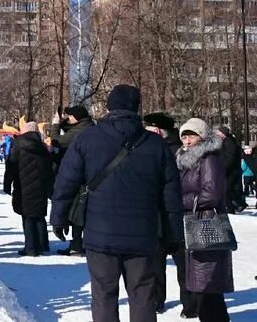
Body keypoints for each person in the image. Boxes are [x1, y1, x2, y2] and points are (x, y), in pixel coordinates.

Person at [50, 85, 183, 322]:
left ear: (109, 107)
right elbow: (171, 193)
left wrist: (59, 217)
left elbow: (66, 181)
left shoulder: (87, 139)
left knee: (103, 295)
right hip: (143, 235)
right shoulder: (156, 145)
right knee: (142, 296)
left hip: (100, 234)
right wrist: (173, 233)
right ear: (136, 108)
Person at [176, 118, 233, 321]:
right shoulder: (185, 159)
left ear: (202, 136)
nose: (187, 141)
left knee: (208, 284)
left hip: (207, 224)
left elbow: (212, 193)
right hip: (192, 222)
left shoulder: (208, 158)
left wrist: (179, 200)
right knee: (201, 284)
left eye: (191, 136)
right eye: (184, 136)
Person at [142, 111, 188, 314]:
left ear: (158, 130)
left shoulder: (178, 151)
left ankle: (190, 302)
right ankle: (157, 300)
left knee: (183, 261)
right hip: (157, 214)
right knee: (156, 261)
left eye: (148, 128)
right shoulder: (152, 148)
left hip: (179, 213)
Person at [49, 105, 95, 256]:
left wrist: (55, 125)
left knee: (77, 213)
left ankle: (77, 244)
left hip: (79, 178)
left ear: (77, 117)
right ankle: (77, 243)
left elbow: (57, 141)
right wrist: (62, 121)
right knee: (79, 212)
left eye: (70, 115)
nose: (68, 118)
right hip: (86, 176)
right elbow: (69, 129)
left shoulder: (79, 131)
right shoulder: (87, 126)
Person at [3, 122, 53, 256]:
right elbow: (49, 168)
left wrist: (7, 184)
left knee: (27, 215)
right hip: (40, 185)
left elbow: (11, 166)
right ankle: (43, 245)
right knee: (39, 214)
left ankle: (30, 248)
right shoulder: (42, 147)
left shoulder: (18, 145)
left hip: (23, 184)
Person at [215, 126, 247, 213]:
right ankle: (237, 205)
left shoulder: (229, 142)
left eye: (218, 132)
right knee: (229, 190)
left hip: (230, 171)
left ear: (223, 133)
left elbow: (230, 157)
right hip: (229, 170)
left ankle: (231, 209)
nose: (217, 134)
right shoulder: (226, 141)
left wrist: (223, 167)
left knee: (227, 191)